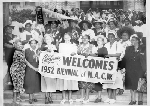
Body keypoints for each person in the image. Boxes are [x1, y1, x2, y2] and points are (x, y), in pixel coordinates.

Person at [121, 34, 146, 105]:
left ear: (138, 40)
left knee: (140, 85)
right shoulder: (128, 48)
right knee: (131, 85)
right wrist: (120, 66)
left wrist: (146, 69)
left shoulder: (143, 48)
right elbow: (125, 58)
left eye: (134, 40)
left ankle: (140, 100)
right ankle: (133, 100)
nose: (132, 41)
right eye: (131, 40)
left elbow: (146, 59)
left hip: (140, 69)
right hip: (130, 69)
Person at [56, 33, 79, 104]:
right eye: (65, 38)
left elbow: (76, 55)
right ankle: (63, 98)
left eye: (68, 38)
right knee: (63, 82)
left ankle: (70, 98)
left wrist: (74, 54)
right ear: (63, 38)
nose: (66, 39)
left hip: (71, 66)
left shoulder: (74, 45)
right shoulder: (61, 45)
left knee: (70, 82)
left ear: (70, 37)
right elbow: (60, 54)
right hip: (63, 65)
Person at [103, 32, 123, 104]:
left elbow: (118, 54)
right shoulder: (106, 44)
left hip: (115, 65)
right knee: (108, 81)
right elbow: (103, 54)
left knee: (114, 81)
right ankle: (109, 97)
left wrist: (108, 55)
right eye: (109, 37)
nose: (110, 38)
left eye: (112, 37)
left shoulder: (118, 44)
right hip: (107, 65)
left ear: (115, 37)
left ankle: (113, 98)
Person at [76, 34, 95, 104]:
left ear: (88, 39)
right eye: (83, 38)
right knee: (81, 80)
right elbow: (76, 54)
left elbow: (96, 55)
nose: (84, 39)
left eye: (86, 38)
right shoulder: (79, 46)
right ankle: (82, 96)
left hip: (89, 65)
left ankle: (87, 97)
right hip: (80, 65)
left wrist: (89, 54)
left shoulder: (92, 46)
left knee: (88, 81)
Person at [117, 26, 134, 95]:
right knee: (119, 74)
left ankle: (122, 88)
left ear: (129, 36)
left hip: (125, 59)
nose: (124, 37)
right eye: (122, 35)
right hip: (118, 59)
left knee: (123, 74)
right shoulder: (118, 42)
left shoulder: (129, 43)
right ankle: (120, 87)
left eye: (125, 35)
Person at [41, 35, 57, 104]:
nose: (48, 40)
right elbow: (41, 56)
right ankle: (46, 97)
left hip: (52, 67)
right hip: (45, 67)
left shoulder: (54, 47)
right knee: (46, 82)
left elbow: (57, 56)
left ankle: (50, 96)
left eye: (49, 39)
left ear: (51, 39)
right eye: (46, 39)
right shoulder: (43, 47)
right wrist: (45, 51)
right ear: (44, 40)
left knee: (51, 82)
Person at [24, 38, 41, 104]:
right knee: (30, 82)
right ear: (30, 44)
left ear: (36, 44)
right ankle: (30, 98)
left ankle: (33, 97)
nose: (33, 45)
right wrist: (36, 55)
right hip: (30, 68)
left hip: (37, 67)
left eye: (34, 43)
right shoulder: (27, 50)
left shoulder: (38, 50)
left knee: (34, 82)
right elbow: (27, 60)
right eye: (32, 43)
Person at [92, 35, 108, 103]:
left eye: (100, 40)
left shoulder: (104, 49)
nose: (99, 42)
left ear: (103, 42)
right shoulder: (94, 48)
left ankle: (99, 97)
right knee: (95, 81)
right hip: (94, 67)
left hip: (101, 67)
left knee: (99, 82)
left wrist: (97, 55)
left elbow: (105, 57)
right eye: (98, 40)